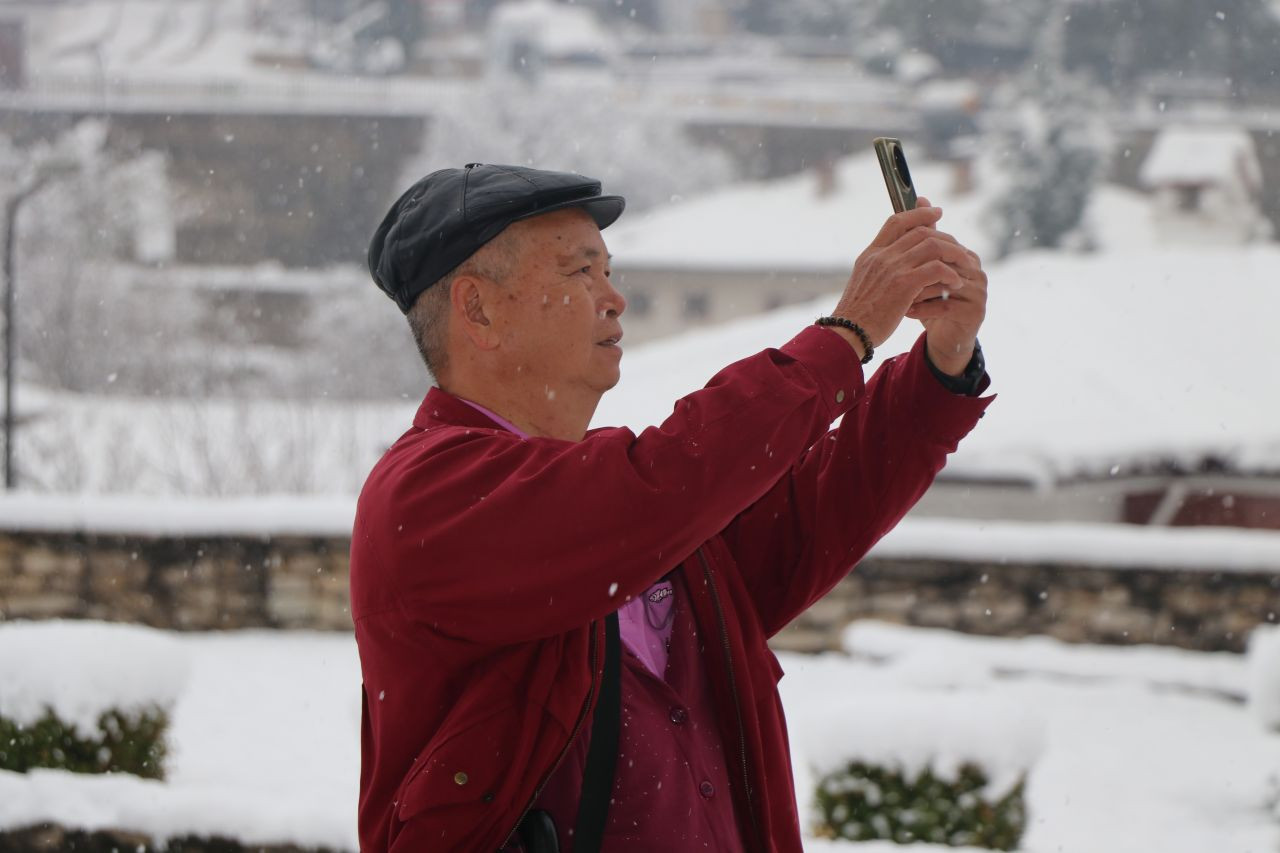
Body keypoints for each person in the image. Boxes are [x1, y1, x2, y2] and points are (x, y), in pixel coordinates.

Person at [352, 163, 993, 852]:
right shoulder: (428, 492)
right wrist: (845, 336)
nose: (614, 298)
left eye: (608, 271)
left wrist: (940, 366)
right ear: (476, 309)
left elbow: (811, 516)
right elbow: (661, 486)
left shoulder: (630, 510)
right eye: (580, 273)